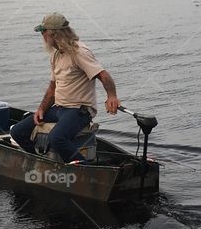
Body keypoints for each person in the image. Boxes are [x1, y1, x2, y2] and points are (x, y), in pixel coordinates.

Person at [11, 14, 120, 163]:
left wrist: (112, 96)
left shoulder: (79, 52)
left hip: (79, 111)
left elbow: (103, 75)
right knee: (18, 132)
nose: (42, 36)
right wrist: (41, 109)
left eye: (43, 32)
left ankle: (85, 168)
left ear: (53, 34)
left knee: (57, 137)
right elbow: (52, 88)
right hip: (59, 109)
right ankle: (43, 162)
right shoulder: (56, 55)